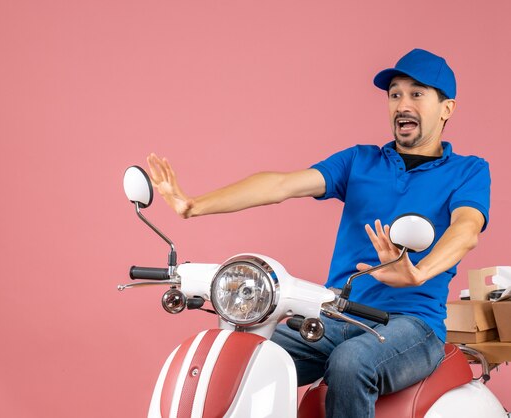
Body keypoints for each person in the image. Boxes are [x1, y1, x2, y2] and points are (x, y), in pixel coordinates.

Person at [146, 48, 490, 418]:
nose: (402, 104)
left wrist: (417, 273)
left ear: (446, 108)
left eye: (417, 94)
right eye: (395, 94)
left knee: (351, 363)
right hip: (335, 315)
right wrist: (194, 204)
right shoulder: (360, 160)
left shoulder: (468, 171)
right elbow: (281, 185)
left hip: (411, 324)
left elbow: (466, 228)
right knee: (241, 353)